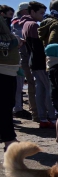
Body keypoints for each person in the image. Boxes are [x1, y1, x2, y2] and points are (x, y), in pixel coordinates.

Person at [20, 1, 56, 128]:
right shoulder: (34, 25)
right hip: (40, 61)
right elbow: (41, 47)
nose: (43, 16)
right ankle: (52, 118)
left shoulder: (25, 24)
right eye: (41, 13)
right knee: (49, 90)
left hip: (33, 61)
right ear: (32, 12)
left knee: (40, 90)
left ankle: (43, 118)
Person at [0, 11, 21, 151]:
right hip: (3, 70)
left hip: (7, 70)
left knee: (6, 105)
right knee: (5, 106)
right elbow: (4, 44)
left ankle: (7, 137)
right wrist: (16, 41)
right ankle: (9, 140)